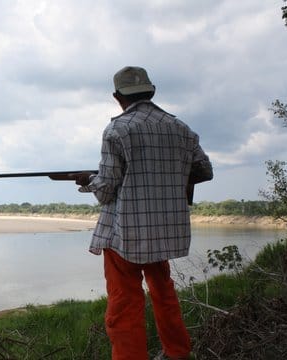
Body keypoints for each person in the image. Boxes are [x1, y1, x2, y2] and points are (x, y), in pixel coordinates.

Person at [71, 66, 213, 360]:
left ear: (117, 97)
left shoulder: (117, 129)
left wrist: (88, 181)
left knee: (125, 303)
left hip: (126, 234)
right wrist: (171, 180)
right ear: (152, 92)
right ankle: (177, 352)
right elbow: (203, 171)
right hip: (163, 232)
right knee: (164, 294)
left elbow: (106, 190)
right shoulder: (181, 128)